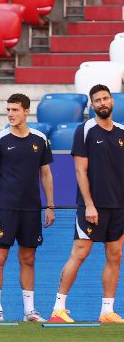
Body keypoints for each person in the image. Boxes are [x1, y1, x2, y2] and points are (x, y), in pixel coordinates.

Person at [50, 84, 124, 324]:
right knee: (80, 252)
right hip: (92, 206)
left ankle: (107, 311)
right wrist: (89, 205)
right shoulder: (85, 130)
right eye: (97, 100)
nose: (102, 103)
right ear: (92, 105)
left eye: (105, 98)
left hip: (119, 207)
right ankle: (58, 309)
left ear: (112, 101)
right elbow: (81, 171)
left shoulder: (122, 132)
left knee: (115, 255)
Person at [0, 95, 54, 323]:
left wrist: (50, 206)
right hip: (4, 209)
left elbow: (46, 174)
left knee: (28, 258)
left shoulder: (41, 139)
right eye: (8, 110)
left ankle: (29, 311)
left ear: (26, 111)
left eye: (15, 110)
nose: (11, 114)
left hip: (31, 209)